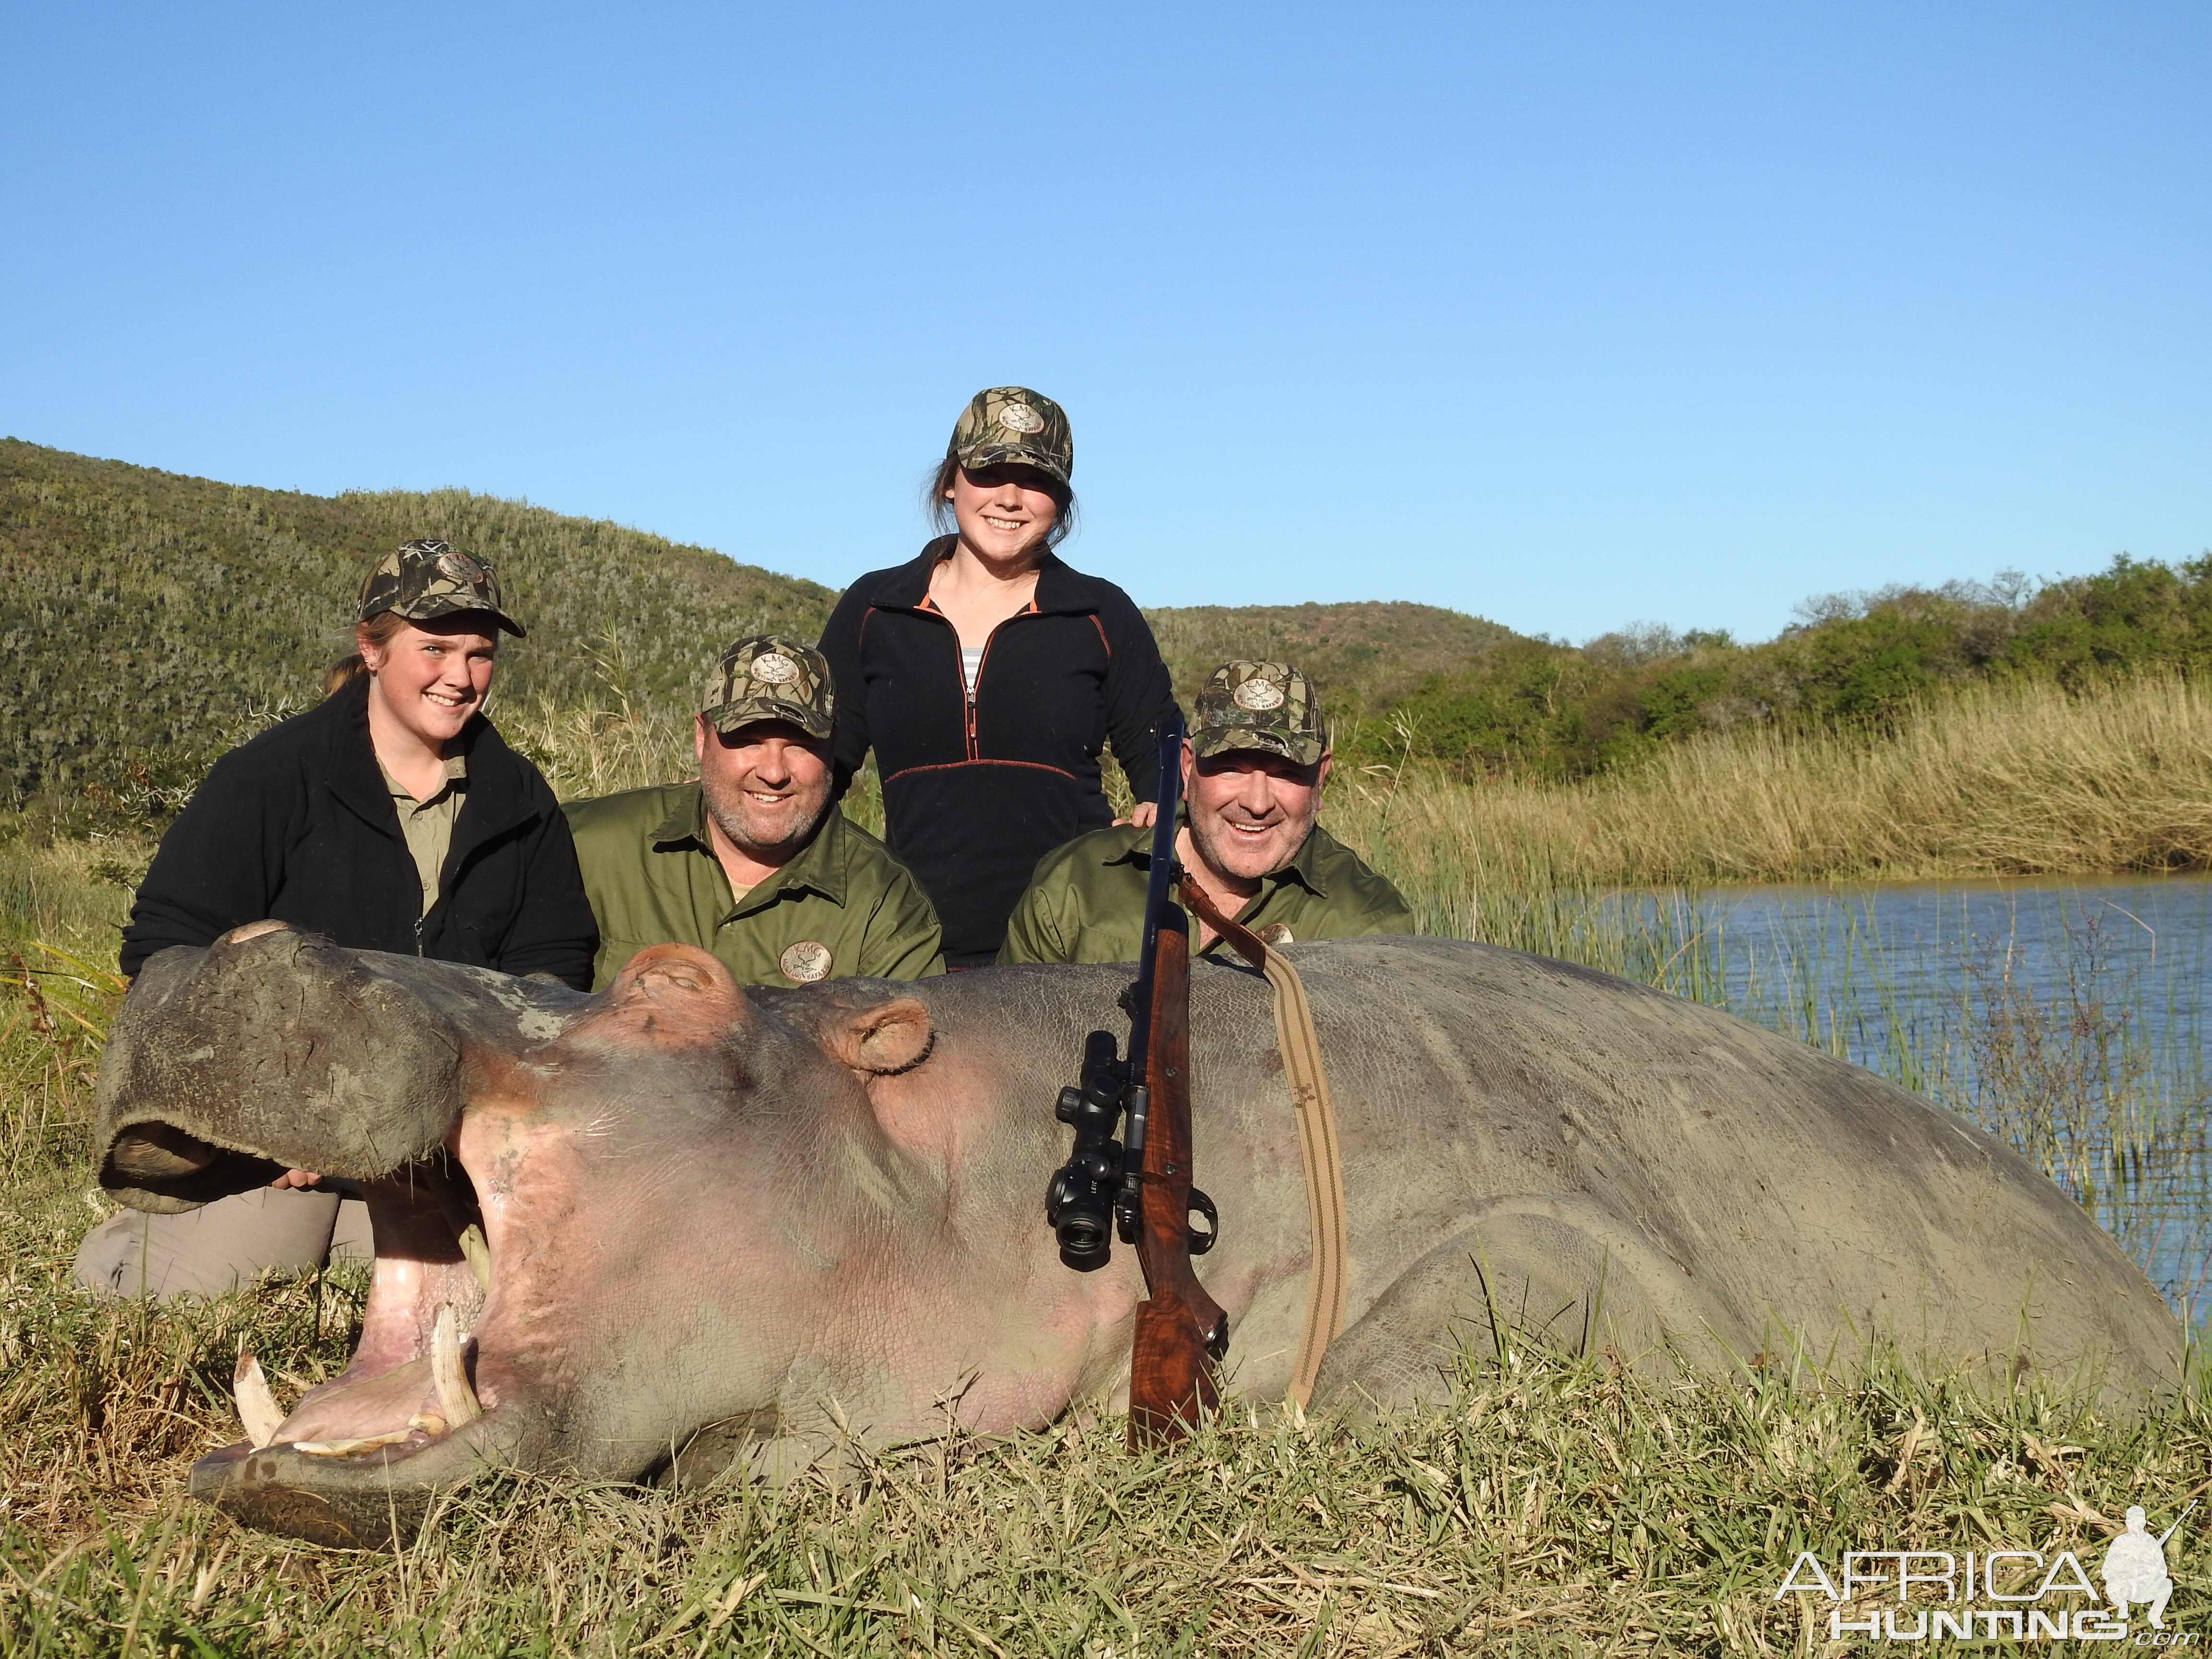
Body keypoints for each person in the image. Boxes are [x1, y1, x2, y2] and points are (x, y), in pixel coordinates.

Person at [76, 539, 598, 1300]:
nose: (460, 677)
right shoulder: (269, 776)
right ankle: (130, 1248)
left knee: (470, 1301)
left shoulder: (520, 799)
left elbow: (553, 976)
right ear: (372, 649)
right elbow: (166, 949)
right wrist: (262, 1111)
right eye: (435, 649)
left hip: (436, 1150)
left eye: (479, 655)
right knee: (215, 1285)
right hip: (273, 1142)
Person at [817, 387, 1179, 967]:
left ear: (1060, 500)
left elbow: (1165, 763)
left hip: (1070, 946)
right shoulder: (874, 608)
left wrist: (1157, 814)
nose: (1010, 499)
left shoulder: (1100, 613)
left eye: (1036, 480)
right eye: (989, 472)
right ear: (950, 481)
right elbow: (818, 766)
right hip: (912, 943)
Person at [564, 634, 943, 988]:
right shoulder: (581, 845)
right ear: (701, 738)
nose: (773, 772)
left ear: (833, 748)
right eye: (747, 740)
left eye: (799, 744)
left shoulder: (885, 905)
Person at [999, 661, 1415, 963]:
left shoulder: (1369, 923)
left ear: (1320, 777)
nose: (1257, 802)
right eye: (1231, 768)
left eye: (1286, 772)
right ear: (1186, 766)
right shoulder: (1073, 884)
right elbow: (1010, 1046)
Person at [2102, 1506, 2175, 1628]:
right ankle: (2123, 1607)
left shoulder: (2151, 1542)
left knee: (2167, 1584)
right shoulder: (2120, 1541)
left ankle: (2155, 1616)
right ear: (2127, 1522)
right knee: (2112, 1585)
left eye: (2139, 1521)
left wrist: (2151, 1572)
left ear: (2144, 1522)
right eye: (2132, 1521)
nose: (2136, 1525)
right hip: (2125, 1586)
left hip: (2146, 1587)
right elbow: (2107, 1568)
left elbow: (2163, 1569)